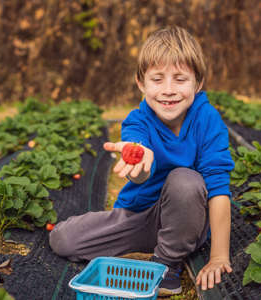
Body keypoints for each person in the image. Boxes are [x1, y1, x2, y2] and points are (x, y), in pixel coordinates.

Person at [49, 26, 234, 296]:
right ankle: (154, 246)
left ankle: (166, 267)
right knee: (62, 239)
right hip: (139, 217)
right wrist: (139, 161)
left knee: (185, 180)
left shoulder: (207, 120)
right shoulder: (137, 121)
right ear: (141, 83)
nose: (168, 90)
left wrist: (219, 256)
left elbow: (218, 187)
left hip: (187, 221)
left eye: (180, 79)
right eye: (157, 79)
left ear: (198, 83)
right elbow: (138, 170)